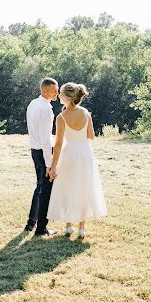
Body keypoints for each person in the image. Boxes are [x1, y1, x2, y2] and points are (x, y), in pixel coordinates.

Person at [47, 82, 107, 238]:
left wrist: (53, 166)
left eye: (60, 93)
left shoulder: (61, 117)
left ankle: (68, 226)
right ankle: (81, 228)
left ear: (67, 98)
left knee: (69, 187)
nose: (59, 95)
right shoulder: (86, 113)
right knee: (83, 186)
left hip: (70, 153)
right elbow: (91, 136)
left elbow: (58, 144)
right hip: (85, 153)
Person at [25, 77, 59, 236]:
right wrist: (49, 163)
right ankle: (41, 228)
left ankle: (31, 223)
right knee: (45, 190)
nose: (57, 93)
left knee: (39, 187)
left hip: (34, 150)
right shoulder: (46, 109)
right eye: (54, 90)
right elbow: (45, 139)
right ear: (45, 91)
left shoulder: (33, 103)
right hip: (43, 151)